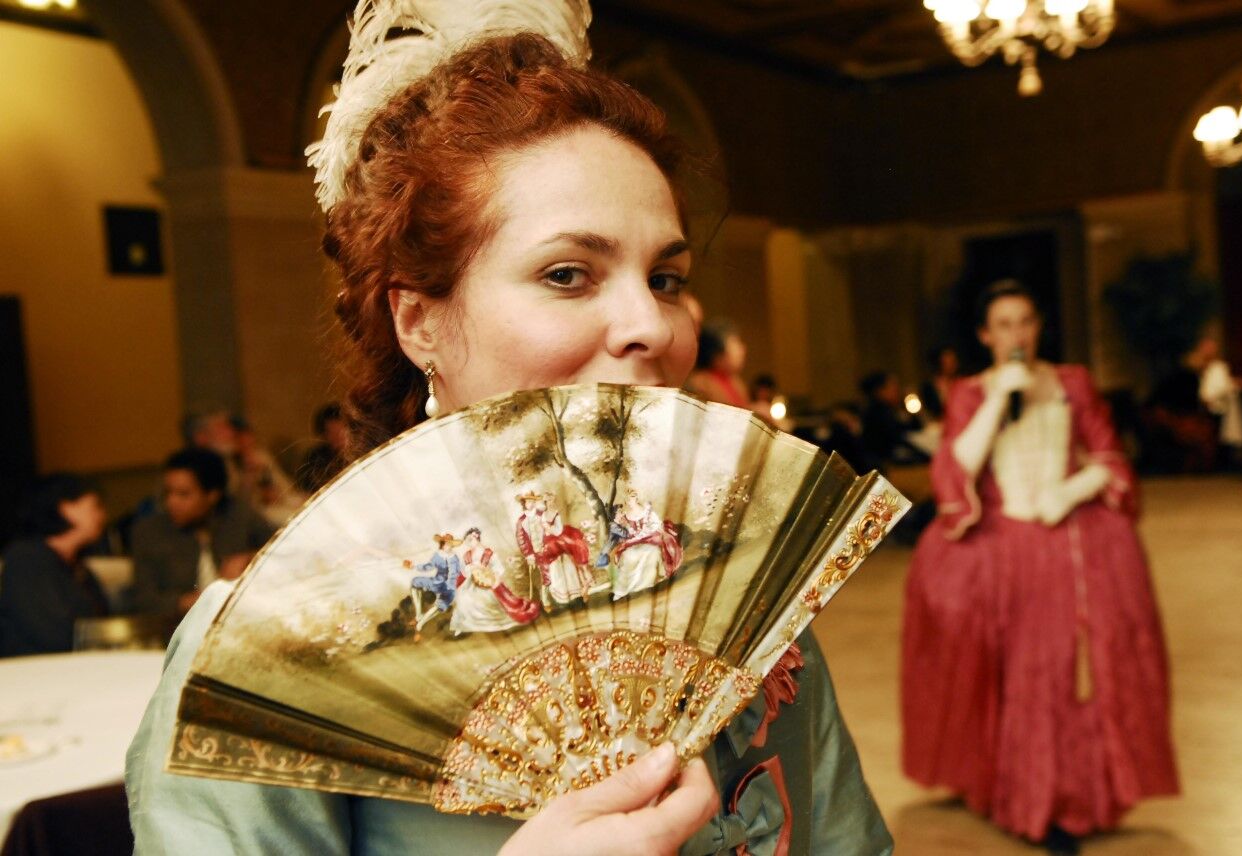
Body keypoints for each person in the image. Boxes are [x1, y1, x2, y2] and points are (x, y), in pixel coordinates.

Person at [127, 15, 892, 856]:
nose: (653, 325)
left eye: (666, 277)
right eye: (568, 274)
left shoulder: (749, 585)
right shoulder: (270, 651)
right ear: (419, 320)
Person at [900, 280, 1178, 854]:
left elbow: (1108, 456)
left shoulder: (1071, 381)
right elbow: (956, 472)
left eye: (1024, 321)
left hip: (1067, 540)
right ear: (984, 334)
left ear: (1038, 326)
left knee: (1057, 673)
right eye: (1002, 325)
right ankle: (1015, 790)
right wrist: (1002, 397)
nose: (1016, 335)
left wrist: (1074, 488)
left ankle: (1061, 800)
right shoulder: (972, 392)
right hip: (1001, 546)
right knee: (1006, 674)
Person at [131, 448, 275, 616]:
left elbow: (284, 554)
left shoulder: (240, 518)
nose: (172, 502)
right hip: (177, 626)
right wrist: (200, 600)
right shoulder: (150, 532)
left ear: (212, 495)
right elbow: (144, 600)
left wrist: (251, 558)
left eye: (183, 494)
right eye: (168, 492)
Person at [0, 475, 108, 657]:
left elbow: (102, 621)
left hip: (76, 667)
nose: (102, 515)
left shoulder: (78, 566)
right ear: (66, 508)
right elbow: (54, 635)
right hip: (35, 673)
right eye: (94, 506)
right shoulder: (26, 559)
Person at [859, 371, 932, 468]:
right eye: (893, 387)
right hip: (888, 465)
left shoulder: (891, 410)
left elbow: (914, 427)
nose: (898, 390)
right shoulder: (877, 413)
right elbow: (899, 437)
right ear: (880, 391)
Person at [686, 319, 752, 409]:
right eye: (734, 342)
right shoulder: (700, 385)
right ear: (717, 352)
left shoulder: (736, 381)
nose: (742, 349)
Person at [297, 402, 351, 493]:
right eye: (332, 433)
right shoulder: (315, 459)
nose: (339, 437)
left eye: (341, 430)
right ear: (324, 436)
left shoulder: (364, 445)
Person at [918, 345, 960, 423]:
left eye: (953, 361)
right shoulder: (929, 387)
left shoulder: (962, 383)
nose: (952, 365)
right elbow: (929, 413)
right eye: (947, 362)